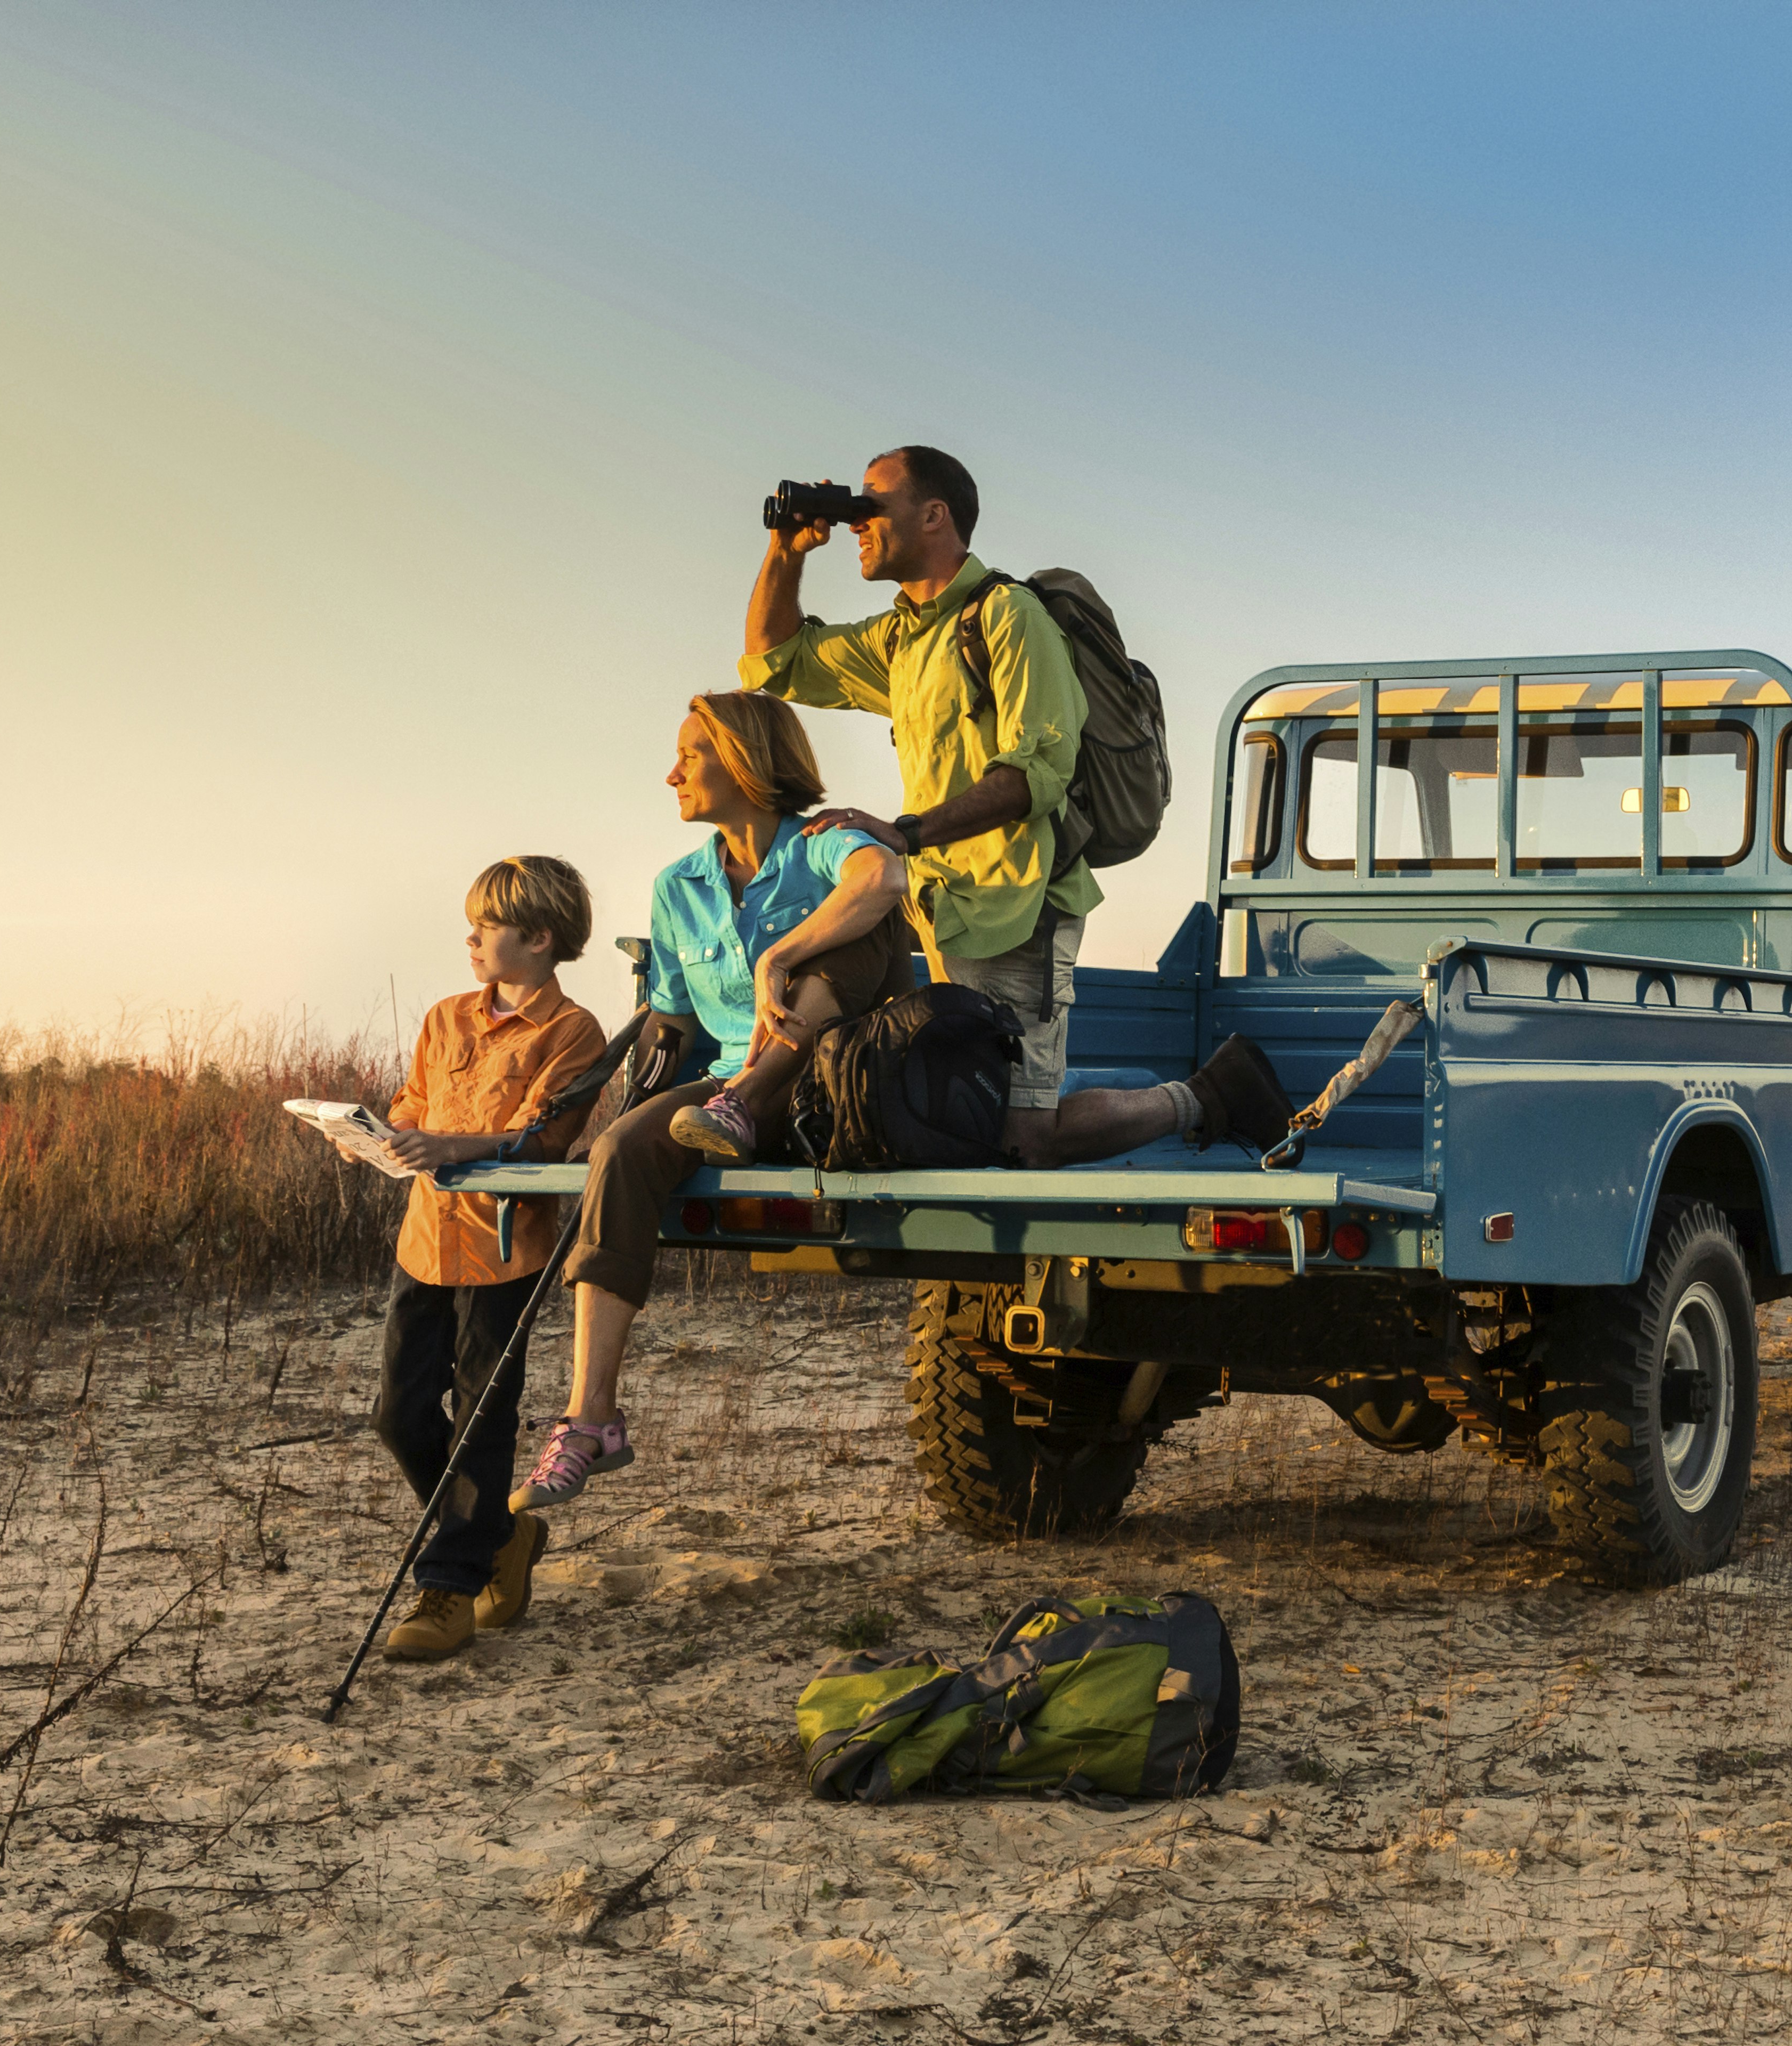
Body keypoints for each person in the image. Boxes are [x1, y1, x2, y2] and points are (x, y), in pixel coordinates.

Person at [740, 442, 1290, 1165]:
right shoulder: (903, 637)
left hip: (1019, 907)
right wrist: (787, 549)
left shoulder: (1007, 616)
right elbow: (773, 661)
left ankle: (1209, 1097)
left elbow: (1038, 774)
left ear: (935, 515)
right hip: (943, 910)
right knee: (967, 1116)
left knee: (1021, 1141)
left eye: (872, 505)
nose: (857, 524)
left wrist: (907, 833)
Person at [509, 691, 910, 1510]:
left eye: (690, 756)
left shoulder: (826, 844)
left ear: (747, 759)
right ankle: (591, 1421)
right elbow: (675, 1024)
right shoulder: (677, 887)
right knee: (622, 1150)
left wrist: (780, 960)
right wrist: (611, 1115)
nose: (672, 774)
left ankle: (750, 1098)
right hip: (722, 1089)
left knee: (861, 928)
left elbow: (885, 878)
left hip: (840, 1086)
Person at [331, 855, 607, 1663]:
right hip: (426, 1241)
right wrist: (373, 1138)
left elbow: (544, 1137)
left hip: (503, 1248)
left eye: (486, 928)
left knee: (481, 1421)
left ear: (540, 937)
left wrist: (453, 1144)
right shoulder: (446, 1017)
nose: (471, 939)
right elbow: (413, 1105)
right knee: (398, 1414)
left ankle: (448, 1590)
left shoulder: (575, 1032)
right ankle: (502, 1537)